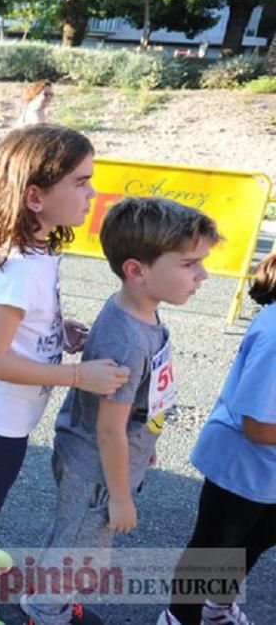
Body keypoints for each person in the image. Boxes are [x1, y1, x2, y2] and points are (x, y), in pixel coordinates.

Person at [0, 124, 131, 624]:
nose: (92, 193)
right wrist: (80, 378)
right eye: (81, 183)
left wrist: (57, 330)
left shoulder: (33, 250)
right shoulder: (21, 265)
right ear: (35, 196)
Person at [21, 197, 218, 625]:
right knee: (78, 546)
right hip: (98, 470)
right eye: (189, 264)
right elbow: (109, 430)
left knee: (75, 539)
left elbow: (138, 404)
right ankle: (46, 613)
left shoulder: (141, 313)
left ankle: (48, 596)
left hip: (109, 462)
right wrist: (123, 497)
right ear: (136, 270)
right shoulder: (128, 338)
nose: (204, 275)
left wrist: (145, 444)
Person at [157, 255, 276, 625]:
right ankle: (178, 617)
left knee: (255, 541)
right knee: (213, 547)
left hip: (266, 469)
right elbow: (257, 427)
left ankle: (216, 607)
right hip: (240, 464)